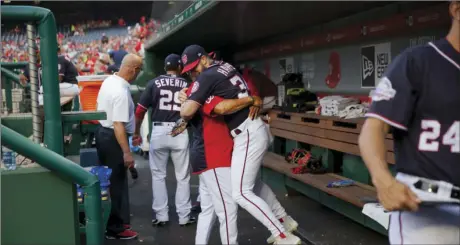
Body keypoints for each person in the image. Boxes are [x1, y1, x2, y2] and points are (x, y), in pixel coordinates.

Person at [358, 2, 460, 244]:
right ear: (457, 9)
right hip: (424, 206)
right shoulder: (417, 62)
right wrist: (383, 181)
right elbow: (373, 129)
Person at [178, 45, 301, 245]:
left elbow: (202, 109)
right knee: (252, 185)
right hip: (249, 131)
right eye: (189, 71)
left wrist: (186, 99)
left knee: (241, 193)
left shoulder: (207, 77)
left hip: (247, 132)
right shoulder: (224, 67)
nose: (193, 72)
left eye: (194, 67)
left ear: (203, 59)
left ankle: (281, 234)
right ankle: (284, 220)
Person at [133, 54, 195, 227]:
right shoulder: (187, 84)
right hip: (179, 128)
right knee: (182, 176)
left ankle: (161, 216)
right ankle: (184, 216)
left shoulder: (154, 83)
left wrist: (137, 132)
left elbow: (139, 111)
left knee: (158, 176)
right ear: (180, 67)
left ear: (165, 67)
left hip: (159, 130)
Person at [95, 53, 142, 240]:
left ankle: (113, 222)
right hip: (113, 138)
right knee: (116, 183)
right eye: (139, 70)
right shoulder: (121, 92)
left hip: (102, 134)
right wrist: (127, 152)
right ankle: (115, 228)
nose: (138, 74)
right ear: (133, 69)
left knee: (109, 182)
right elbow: (118, 125)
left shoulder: (109, 80)